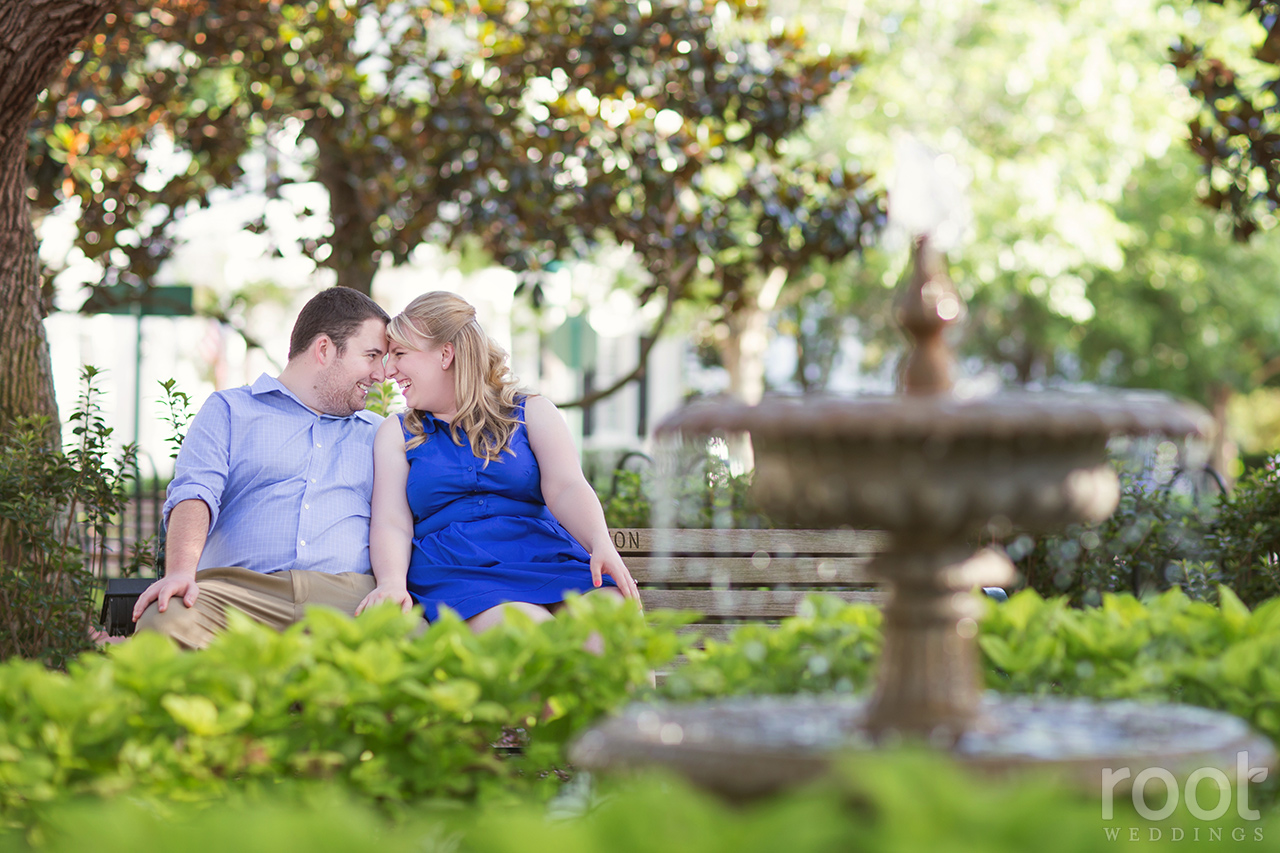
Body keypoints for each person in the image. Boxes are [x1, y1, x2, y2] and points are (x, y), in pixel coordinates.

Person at [129, 287, 399, 649]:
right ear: (324, 350)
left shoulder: (380, 433)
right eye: (371, 356)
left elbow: (399, 519)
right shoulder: (229, 410)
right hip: (240, 595)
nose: (381, 374)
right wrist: (180, 573)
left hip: (346, 600)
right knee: (164, 623)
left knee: (414, 639)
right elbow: (195, 492)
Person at [357, 291, 641, 630]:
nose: (389, 370)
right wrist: (391, 582)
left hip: (545, 557)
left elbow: (566, 487)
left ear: (445, 354)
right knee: (524, 629)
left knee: (613, 624)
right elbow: (392, 521)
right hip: (461, 571)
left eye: (399, 354)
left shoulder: (531, 412)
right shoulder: (398, 432)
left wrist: (601, 543)